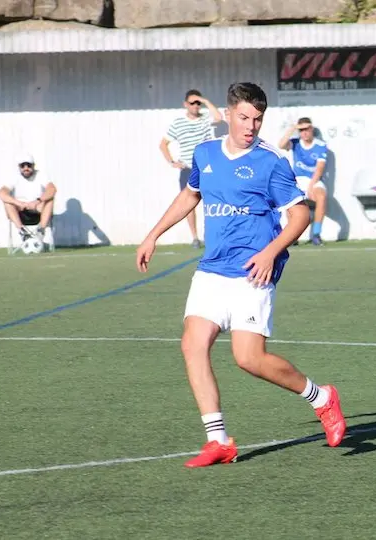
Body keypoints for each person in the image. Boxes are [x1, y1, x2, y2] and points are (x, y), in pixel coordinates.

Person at [135, 82, 346, 468]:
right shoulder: (205, 153)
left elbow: (300, 214)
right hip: (212, 269)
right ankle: (218, 440)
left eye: (258, 119)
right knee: (192, 344)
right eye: (245, 117)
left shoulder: (271, 162)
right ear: (229, 114)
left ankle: (321, 397)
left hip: (253, 270)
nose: (251, 126)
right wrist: (153, 235)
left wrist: (270, 252)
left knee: (249, 359)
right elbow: (190, 195)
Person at [159, 89, 223, 248]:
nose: (195, 106)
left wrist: (205, 100)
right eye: (192, 103)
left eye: (198, 103)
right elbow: (163, 144)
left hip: (207, 168)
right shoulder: (178, 123)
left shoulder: (205, 119)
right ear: (185, 104)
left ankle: (215, 235)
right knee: (189, 203)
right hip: (188, 168)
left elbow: (219, 118)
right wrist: (172, 162)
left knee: (214, 201)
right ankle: (195, 237)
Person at [278, 117, 329, 246]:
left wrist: (311, 187)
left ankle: (316, 234)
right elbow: (281, 145)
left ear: (311, 129)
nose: (304, 133)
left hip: (314, 180)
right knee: (289, 199)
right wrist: (292, 129)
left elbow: (319, 168)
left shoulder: (320, 145)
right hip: (299, 179)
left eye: (306, 129)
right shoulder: (295, 143)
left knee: (321, 196)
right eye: (301, 130)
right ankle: (292, 236)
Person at [0, 154, 56, 244]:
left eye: (29, 165)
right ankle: (23, 232)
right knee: (7, 202)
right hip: (20, 211)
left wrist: (37, 201)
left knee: (49, 199)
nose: (26, 168)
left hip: (38, 209)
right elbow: (1, 193)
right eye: (23, 166)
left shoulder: (40, 175)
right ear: (19, 167)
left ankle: (40, 231)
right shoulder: (14, 177)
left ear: (33, 166)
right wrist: (18, 203)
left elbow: (52, 189)